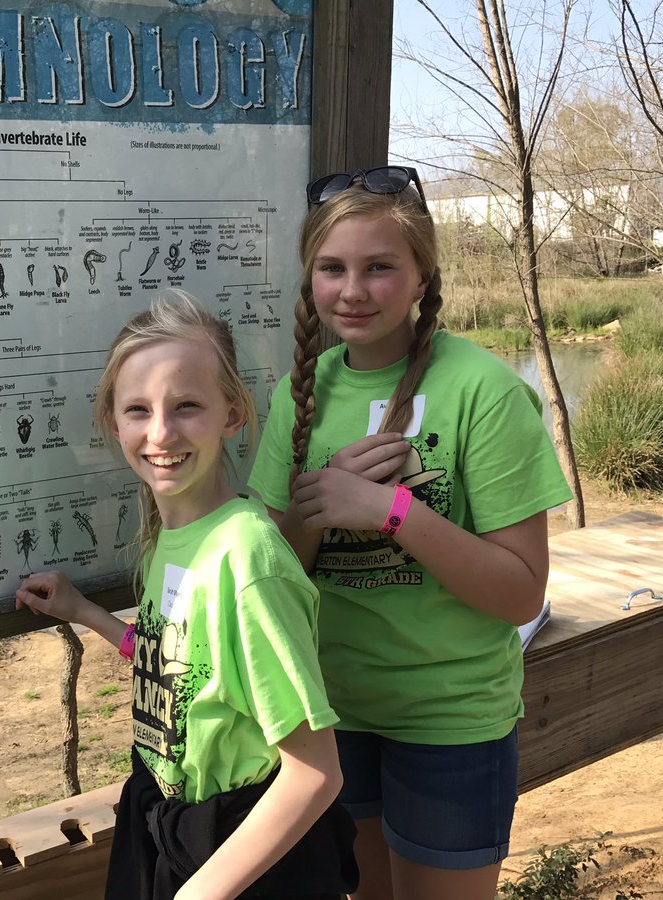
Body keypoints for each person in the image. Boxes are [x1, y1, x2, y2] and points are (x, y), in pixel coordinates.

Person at [247, 167, 574, 900]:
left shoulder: (483, 391)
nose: (352, 291)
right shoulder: (301, 394)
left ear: (422, 274)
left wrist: (392, 512)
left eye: (379, 267)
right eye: (332, 268)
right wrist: (318, 501)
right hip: (329, 711)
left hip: (450, 718)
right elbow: (275, 575)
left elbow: (521, 594)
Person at [15, 292, 358, 900]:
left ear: (233, 414)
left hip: (246, 851)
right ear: (113, 422)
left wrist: (202, 892)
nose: (160, 432)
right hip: (168, 822)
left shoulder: (248, 558)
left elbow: (314, 773)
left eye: (187, 406)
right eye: (138, 409)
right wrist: (83, 611)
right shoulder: (168, 540)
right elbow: (182, 660)